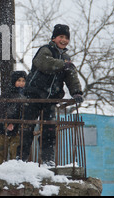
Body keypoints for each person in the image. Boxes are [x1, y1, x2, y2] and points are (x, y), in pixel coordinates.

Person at [22, 24, 83, 165]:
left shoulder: (66, 59)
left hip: (51, 99)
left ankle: (47, 159)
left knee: (49, 131)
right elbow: (44, 64)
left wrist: (77, 93)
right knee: (27, 127)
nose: (64, 40)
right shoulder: (45, 50)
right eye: (61, 37)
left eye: (66, 38)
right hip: (34, 96)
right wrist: (63, 64)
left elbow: (71, 78)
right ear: (54, 38)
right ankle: (22, 158)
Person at [0, 70, 27, 164]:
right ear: (13, 81)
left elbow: (24, 112)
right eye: (19, 80)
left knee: (15, 154)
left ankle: (13, 175)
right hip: (2, 129)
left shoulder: (25, 95)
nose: (21, 83)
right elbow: (1, 110)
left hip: (17, 130)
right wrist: (7, 122)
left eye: (23, 81)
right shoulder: (6, 94)